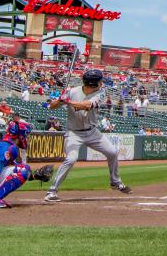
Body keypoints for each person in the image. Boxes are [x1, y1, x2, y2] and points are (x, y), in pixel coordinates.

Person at [44, 68, 131, 202]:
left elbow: (86, 106)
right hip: (74, 133)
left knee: (112, 152)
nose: (102, 83)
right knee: (71, 159)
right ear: (93, 83)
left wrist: (68, 101)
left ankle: (115, 181)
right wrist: (60, 99)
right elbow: (52, 106)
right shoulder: (72, 92)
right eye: (100, 81)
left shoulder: (101, 93)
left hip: (92, 132)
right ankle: (52, 191)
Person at [0, 121, 51, 208]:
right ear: (20, 135)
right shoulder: (6, 147)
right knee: (23, 170)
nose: (27, 137)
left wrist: (33, 176)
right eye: (26, 135)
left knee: (25, 169)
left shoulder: (6, 144)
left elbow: (10, 169)